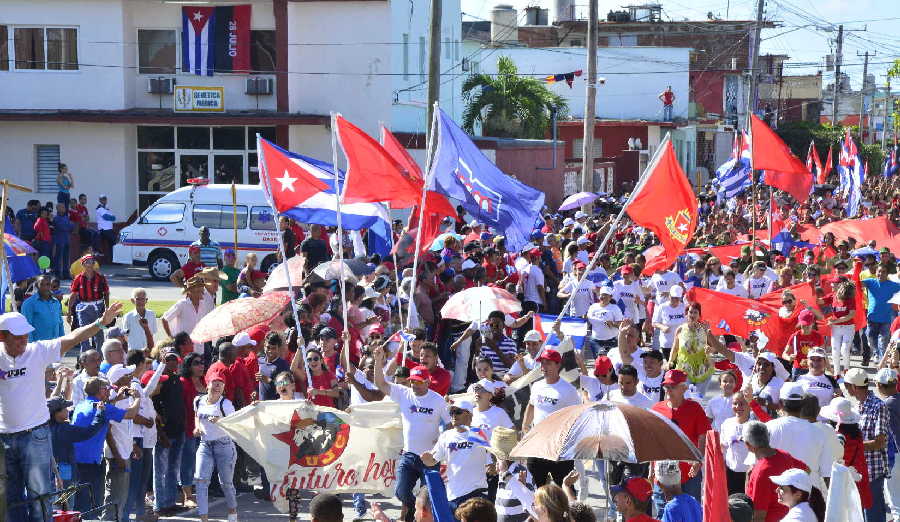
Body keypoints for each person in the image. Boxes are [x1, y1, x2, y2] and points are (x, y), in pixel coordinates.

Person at [0, 302, 120, 521]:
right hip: (4, 438)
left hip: (34, 435)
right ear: (2, 336)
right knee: (11, 499)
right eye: (17, 337)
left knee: (40, 498)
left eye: (26, 335)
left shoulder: (37, 351)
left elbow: (73, 337)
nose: (24, 340)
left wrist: (100, 323)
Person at [373, 344, 450, 522]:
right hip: (408, 455)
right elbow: (380, 383)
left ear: (428, 382)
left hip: (430, 458)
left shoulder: (438, 401)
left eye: (419, 381)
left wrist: (441, 450)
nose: (414, 384)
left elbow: (449, 425)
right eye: (412, 381)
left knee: (429, 498)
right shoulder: (403, 393)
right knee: (400, 492)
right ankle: (416, 508)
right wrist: (378, 361)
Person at [523, 343, 581, 488]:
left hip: (559, 446)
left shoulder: (568, 390)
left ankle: (568, 510)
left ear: (558, 365)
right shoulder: (537, 386)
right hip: (537, 443)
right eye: (542, 363)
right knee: (536, 486)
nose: (544, 367)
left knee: (564, 487)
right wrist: (525, 426)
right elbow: (531, 405)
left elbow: (577, 416)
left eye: (548, 363)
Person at [650, 369, 709, 510]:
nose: (669, 390)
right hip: (662, 473)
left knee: (689, 513)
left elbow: (703, 437)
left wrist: (698, 461)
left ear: (684, 388)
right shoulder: (656, 409)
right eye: (666, 387)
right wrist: (651, 467)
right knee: (663, 513)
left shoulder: (695, 408)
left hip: (688, 474)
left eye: (673, 387)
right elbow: (653, 440)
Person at [422, 400, 491, 511]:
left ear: (469, 414)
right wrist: (427, 459)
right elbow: (432, 461)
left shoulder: (479, 433)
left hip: (477, 492)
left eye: (458, 412)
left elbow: (494, 454)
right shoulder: (446, 435)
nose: (453, 415)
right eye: (452, 412)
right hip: (454, 495)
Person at [764, 383, 833, 493]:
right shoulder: (820, 433)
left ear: (781, 403)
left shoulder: (768, 428)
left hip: (776, 494)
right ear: (802, 404)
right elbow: (828, 473)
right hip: (809, 496)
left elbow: (755, 467)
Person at [843, 367, 891, 522]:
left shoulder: (878, 406)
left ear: (854, 387)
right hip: (859, 469)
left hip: (872, 471)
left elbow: (880, 443)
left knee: (872, 515)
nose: (845, 388)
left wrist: (853, 446)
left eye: (846, 385)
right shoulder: (857, 405)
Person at [193, 371, 239, 522]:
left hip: (224, 445)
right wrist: (197, 427)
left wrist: (220, 420)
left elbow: (234, 424)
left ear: (224, 387)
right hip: (205, 444)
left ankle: (232, 511)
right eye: (215, 382)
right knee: (200, 480)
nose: (217, 386)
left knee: (225, 483)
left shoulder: (225, 404)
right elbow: (197, 416)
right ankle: (203, 518)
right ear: (207, 384)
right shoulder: (198, 401)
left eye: (221, 383)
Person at [743, 421, 807, 522]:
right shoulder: (784, 455)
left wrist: (748, 480)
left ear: (748, 445)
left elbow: (758, 516)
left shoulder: (760, 473)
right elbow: (807, 470)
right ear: (768, 436)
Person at [820, 397, 872, 511]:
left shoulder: (838, 437)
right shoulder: (857, 434)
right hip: (858, 478)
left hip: (845, 483)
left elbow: (835, 459)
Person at [668, 302, 715, 397]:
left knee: (698, 399)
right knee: (684, 398)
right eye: (690, 312)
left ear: (699, 315)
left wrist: (710, 349)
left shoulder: (705, 329)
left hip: (703, 370)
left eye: (695, 312)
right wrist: (670, 361)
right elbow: (675, 347)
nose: (692, 315)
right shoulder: (680, 329)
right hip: (684, 369)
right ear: (686, 314)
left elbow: (714, 348)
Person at [162, 276, 215, 355]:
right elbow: (164, 319)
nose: (202, 292)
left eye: (202, 289)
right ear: (191, 292)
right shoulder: (182, 304)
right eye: (199, 290)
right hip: (184, 349)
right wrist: (171, 338)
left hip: (199, 347)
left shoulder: (203, 304)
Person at [68, 254, 110, 352]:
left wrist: (107, 308)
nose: (90, 263)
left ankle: (100, 356)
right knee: (84, 332)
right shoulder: (78, 278)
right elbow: (73, 295)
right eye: (87, 261)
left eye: (92, 261)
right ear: (83, 264)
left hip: (98, 308)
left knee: (98, 333)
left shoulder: (100, 278)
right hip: (83, 309)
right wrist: (69, 312)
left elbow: (106, 293)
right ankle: (85, 357)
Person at [862, 264, 900, 365]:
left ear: (887, 273)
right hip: (872, 317)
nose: (881, 274)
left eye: (883, 272)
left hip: (886, 319)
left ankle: (882, 363)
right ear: (876, 272)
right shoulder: (870, 282)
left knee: (883, 341)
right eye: (879, 271)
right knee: (870, 337)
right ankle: (876, 354)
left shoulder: (892, 285)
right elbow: (856, 284)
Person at [720, 393, 753, 494]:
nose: (738, 407)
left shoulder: (755, 424)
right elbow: (723, 446)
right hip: (731, 472)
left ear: (749, 405)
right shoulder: (727, 423)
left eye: (742, 404)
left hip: (750, 473)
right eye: (735, 404)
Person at [21, 275, 65, 341]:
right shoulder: (29, 303)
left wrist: (62, 342)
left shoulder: (56, 302)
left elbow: (60, 324)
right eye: (42, 284)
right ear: (37, 286)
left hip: (55, 346)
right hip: (38, 347)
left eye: (48, 284)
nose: (46, 287)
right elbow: (26, 327)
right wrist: (31, 348)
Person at [828, 280, 857, 375]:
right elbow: (818, 301)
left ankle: (846, 369)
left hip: (848, 327)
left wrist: (836, 320)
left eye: (834, 284)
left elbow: (851, 315)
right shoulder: (832, 296)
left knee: (844, 349)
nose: (832, 285)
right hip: (836, 329)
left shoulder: (850, 298)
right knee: (835, 350)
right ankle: (836, 373)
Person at [586, 286, 623, 357]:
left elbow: (621, 324)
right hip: (596, 341)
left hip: (611, 341)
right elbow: (590, 318)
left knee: (611, 363)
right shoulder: (593, 307)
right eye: (601, 295)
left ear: (610, 297)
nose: (603, 297)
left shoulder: (615, 308)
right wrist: (603, 320)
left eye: (605, 295)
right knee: (599, 363)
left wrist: (612, 323)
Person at [651, 286, 686, 360]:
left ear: (680, 298)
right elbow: (654, 322)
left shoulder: (684, 307)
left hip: (682, 342)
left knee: (680, 367)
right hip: (667, 343)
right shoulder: (662, 307)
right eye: (672, 297)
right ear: (669, 295)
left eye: (677, 298)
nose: (674, 300)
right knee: (671, 366)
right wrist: (662, 327)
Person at [123, 287, 157, 353]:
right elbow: (125, 336)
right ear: (132, 301)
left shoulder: (151, 314)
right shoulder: (128, 316)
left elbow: (152, 333)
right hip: (133, 351)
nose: (140, 301)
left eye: (143, 299)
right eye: (138, 299)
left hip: (148, 350)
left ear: (146, 300)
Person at [52, 202, 74, 278]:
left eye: (64, 207)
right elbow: (63, 227)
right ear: (57, 208)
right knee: (58, 258)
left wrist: (68, 225)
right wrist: (68, 225)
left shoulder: (66, 217)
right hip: (59, 240)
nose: (64, 209)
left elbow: (72, 226)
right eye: (62, 207)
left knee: (66, 257)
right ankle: (57, 273)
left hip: (67, 239)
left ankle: (66, 273)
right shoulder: (56, 218)